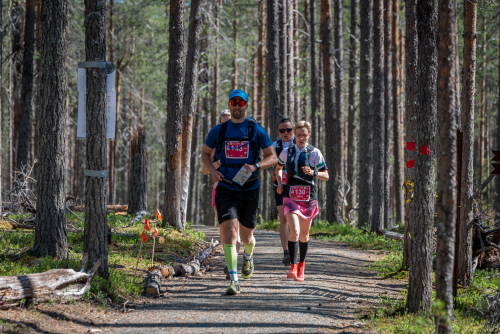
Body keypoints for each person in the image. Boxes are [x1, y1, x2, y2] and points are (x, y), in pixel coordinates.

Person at [201, 89, 277, 295]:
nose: (236, 106)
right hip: (226, 186)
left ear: (245, 105)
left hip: (249, 187)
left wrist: (256, 166)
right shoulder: (219, 130)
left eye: (240, 103)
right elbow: (206, 154)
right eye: (233, 102)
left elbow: (273, 157)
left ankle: (249, 257)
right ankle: (234, 280)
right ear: (230, 103)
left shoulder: (255, 130)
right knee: (230, 234)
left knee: (247, 237)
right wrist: (214, 171)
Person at [276, 121, 329, 281]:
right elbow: (278, 169)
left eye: (304, 135)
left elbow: (326, 175)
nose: (301, 138)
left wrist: (313, 172)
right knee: (295, 231)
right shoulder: (287, 151)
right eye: (298, 135)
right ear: (294, 135)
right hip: (290, 195)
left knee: (304, 235)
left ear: (309, 136)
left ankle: (301, 267)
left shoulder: (314, 153)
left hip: (308, 197)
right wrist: (279, 183)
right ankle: (292, 267)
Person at [202, 110, 241, 271]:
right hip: (219, 192)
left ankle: (233, 263)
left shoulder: (243, 144)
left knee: (235, 231)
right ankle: (229, 261)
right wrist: (216, 164)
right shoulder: (214, 147)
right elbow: (205, 171)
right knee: (224, 231)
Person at [268, 119, 295, 266]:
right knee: (284, 218)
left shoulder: (299, 145)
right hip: (279, 186)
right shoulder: (274, 146)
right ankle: (286, 252)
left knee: (294, 218)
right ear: (278, 132)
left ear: (293, 129)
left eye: (288, 130)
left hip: (296, 187)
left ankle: (295, 249)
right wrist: (271, 171)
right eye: (282, 131)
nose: (285, 133)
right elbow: (267, 161)